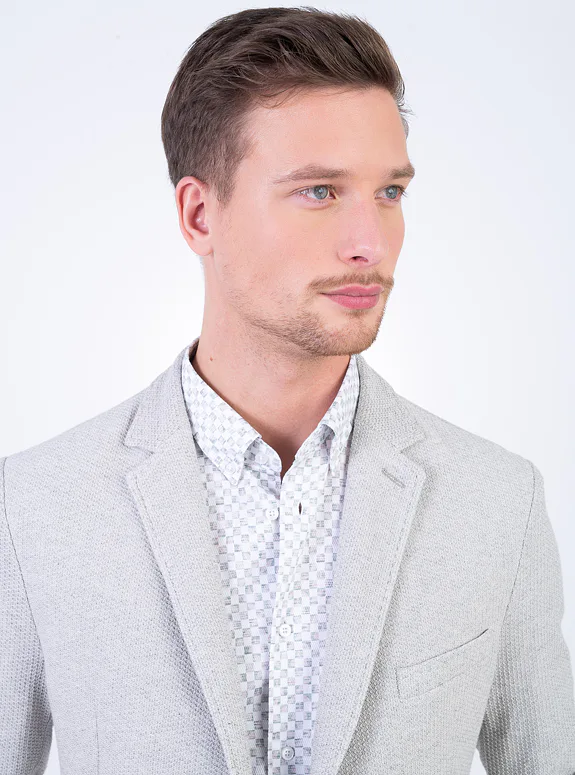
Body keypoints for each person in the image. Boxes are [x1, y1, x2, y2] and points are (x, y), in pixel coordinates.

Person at [1, 7, 574, 775]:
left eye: (389, 192)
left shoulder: (495, 501)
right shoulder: (34, 505)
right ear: (199, 215)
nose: (369, 242)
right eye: (319, 191)